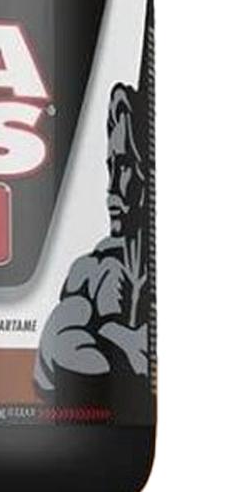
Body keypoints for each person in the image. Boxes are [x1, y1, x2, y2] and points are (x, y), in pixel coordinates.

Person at [34, 83, 152, 418]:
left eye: (125, 166)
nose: (113, 186)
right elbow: (58, 358)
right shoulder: (90, 274)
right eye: (111, 165)